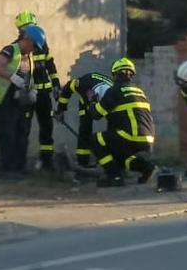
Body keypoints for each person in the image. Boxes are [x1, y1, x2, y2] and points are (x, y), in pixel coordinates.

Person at [0, 24, 46, 175]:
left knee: (21, 131)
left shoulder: (28, 56)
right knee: (7, 133)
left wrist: (31, 90)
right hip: (4, 97)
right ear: (27, 39)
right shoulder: (11, 50)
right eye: (34, 46)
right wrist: (12, 78)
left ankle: (19, 165)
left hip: (19, 99)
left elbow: (27, 76)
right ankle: (8, 167)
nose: (34, 49)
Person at [89, 58, 157, 187]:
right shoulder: (139, 91)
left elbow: (96, 114)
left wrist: (92, 100)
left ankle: (114, 176)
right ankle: (146, 167)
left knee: (95, 139)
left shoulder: (115, 91)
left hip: (129, 136)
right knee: (121, 154)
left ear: (115, 75)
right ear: (131, 75)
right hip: (148, 138)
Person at [15, 11, 62, 171]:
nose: (29, 31)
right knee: (24, 128)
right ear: (20, 30)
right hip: (27, 95)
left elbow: (50, 64)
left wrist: (56, 84)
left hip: (43, 94)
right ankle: (20, 162)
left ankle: (47, 161)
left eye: (31, 27)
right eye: (26, 29)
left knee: (46, 127)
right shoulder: (17, 47)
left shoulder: (42, 44)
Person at [54, 69, 114, 170]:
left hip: (104, 102)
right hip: (85, 103)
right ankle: (83, 160)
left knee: (113, 129)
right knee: (85, 129)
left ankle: (111, 159)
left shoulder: (113, 95)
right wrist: (60, 110)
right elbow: (67, 88)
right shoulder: (82, 84)